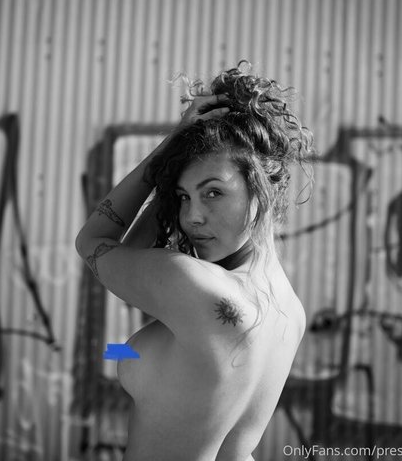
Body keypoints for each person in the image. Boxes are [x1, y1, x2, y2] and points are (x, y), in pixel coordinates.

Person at [75, 65, 313, 461]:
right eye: (183, 197)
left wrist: (170, 146)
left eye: (214, 192)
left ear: (263, 189)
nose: (191, 217)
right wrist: (120, 353)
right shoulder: (291, 313)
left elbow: (93, 242)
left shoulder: (193, 285)